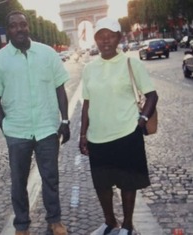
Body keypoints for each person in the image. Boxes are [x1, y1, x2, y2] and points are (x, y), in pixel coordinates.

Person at [0, 10, 70, 235]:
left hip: (47, 128)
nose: (19, 29)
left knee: (51, 178)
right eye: (14, 26)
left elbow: (60, 89)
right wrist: (6, 127)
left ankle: (55, 221)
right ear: (8, 30)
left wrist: (66, 120)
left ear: (28, 26)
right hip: (17, 132)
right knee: (18, 182)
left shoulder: (48, 54)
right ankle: (22, 225)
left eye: (23, 24)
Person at [79, 17, 158, 235]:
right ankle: (110, 221)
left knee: (127, 183)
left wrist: (142, 119)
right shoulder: (89, 69)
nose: (106, 41)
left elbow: (151, 95)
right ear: (95, 39)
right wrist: (82, 134)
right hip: (97, 136)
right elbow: (86, 104)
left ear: (119, 38)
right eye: (101, 36)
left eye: (111, 36)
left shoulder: (132, 63)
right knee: (102, 185)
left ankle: (127, 225)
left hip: (126, 133)